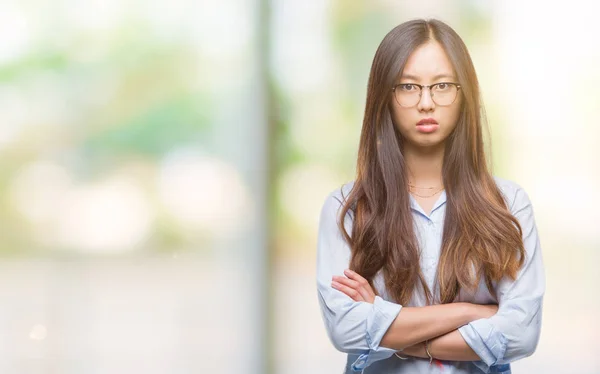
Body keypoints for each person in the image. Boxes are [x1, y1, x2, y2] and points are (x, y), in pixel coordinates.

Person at [316, 18, 545, 374]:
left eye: (442, 86)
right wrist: (472, 312)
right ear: (385, 97)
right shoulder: (347, 209)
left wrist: (391, 328)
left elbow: (521, 333)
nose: (426, 102)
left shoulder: (508, 204)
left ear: (464, 93)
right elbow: (346, 330)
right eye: (408, 87)